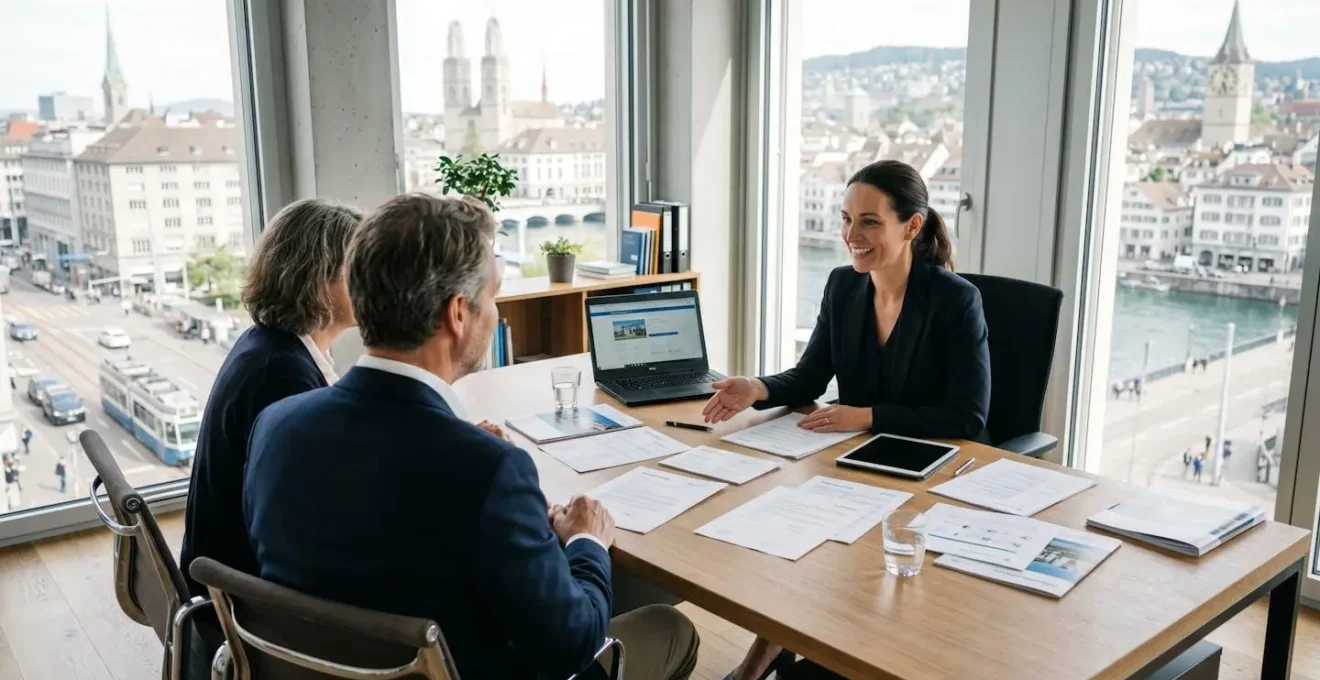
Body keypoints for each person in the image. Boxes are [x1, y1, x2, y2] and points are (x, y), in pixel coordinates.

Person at [243, 194, 699, 680]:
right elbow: (570, 644)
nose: (497, 313)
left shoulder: (275, 424)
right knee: (670, 626)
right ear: (458, 313)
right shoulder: (488, 469)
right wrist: (586, 538)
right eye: (493, 295)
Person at [704, 160, 989, 680]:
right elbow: (811, 376)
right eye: (845, 219)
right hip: (856, 465)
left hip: (936, 474)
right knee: (790, 534)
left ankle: (768, 661)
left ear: (913, 226)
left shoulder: (955, 300)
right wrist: (759, 388)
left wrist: (866, 415)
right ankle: (769, 653)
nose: (850, 236)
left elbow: (966, 417)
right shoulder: (843, 287)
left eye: (869, 222)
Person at [178, 199, 363, 680]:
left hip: (226, 578)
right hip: (250, 607)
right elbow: (316, 522)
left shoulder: (272, 348)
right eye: (360, 267)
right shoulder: (281, 374)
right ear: (322, 279)